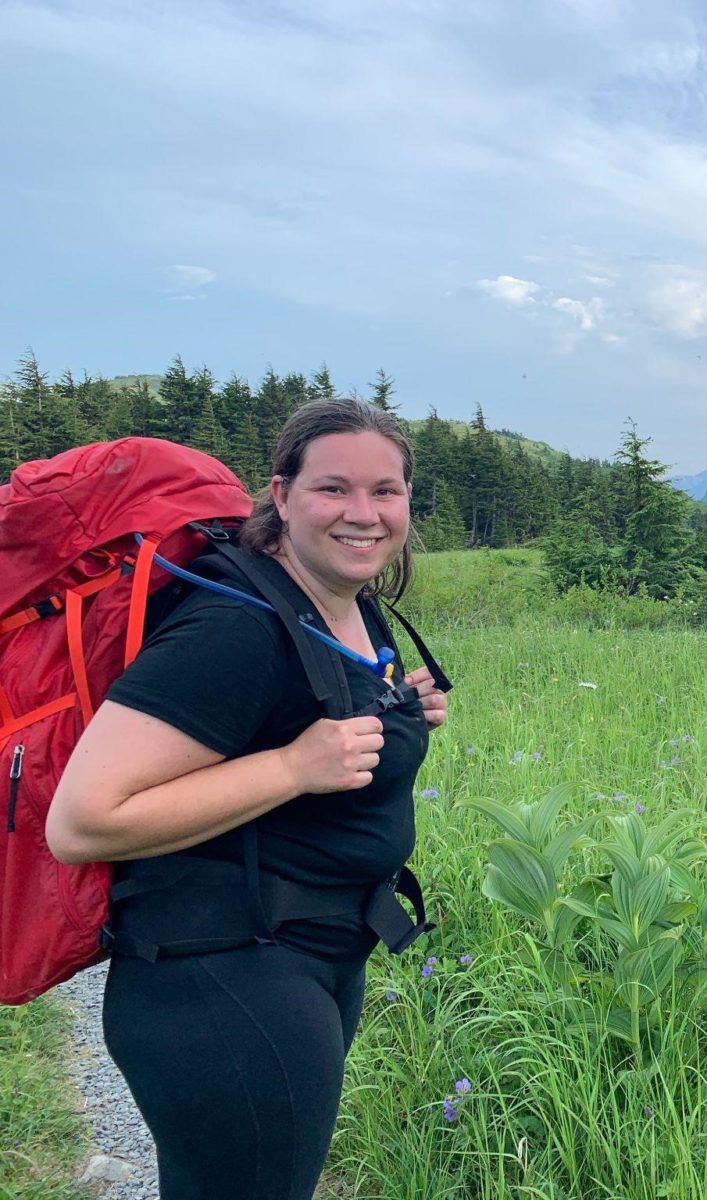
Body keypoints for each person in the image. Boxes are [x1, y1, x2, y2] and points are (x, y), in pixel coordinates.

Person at [46, 397, 448, 1200]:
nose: (363, 514)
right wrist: (294, 768)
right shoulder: (235, 626)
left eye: (385, 491)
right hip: (220, 978)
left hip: (302, 958)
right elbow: (83, 820)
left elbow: (296, 708)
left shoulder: (345, 604)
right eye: (334, 489)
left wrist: (394, 702)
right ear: (283, 493)